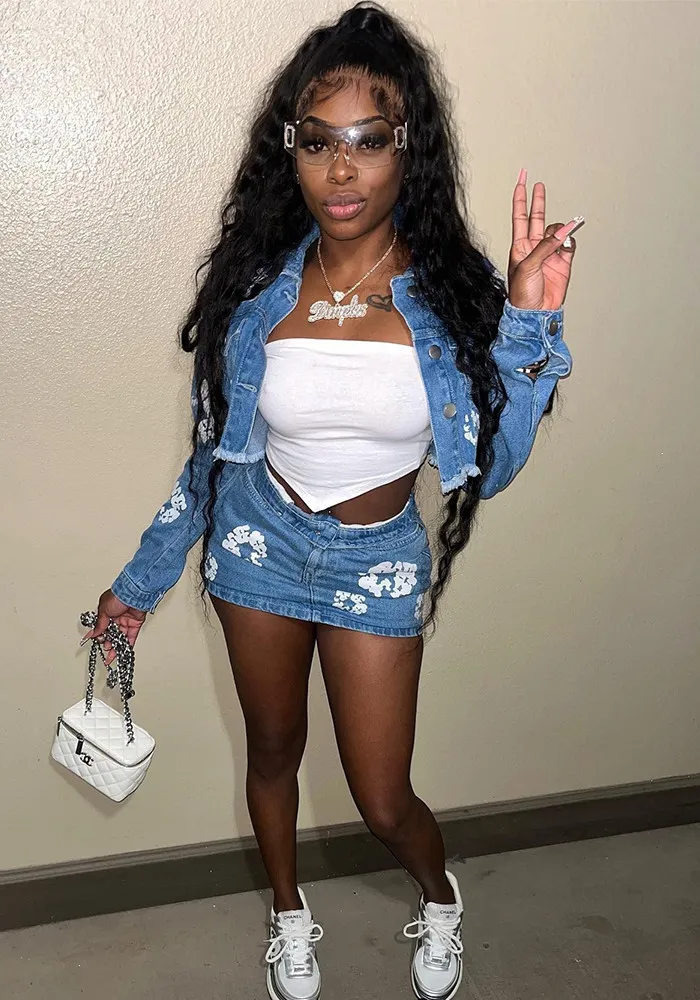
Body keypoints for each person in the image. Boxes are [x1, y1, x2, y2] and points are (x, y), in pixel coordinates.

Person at [83, 3, 579, 998]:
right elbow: (209, 464)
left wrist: (529, 324)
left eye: (368, 141)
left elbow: (491, 466)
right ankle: (286, 914)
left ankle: (438, 896)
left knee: (383, 799)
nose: (341, 170)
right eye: (317, 143)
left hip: (376, 561)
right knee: (271, 753)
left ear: (408, 149)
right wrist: (136, 588)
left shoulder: (453, 295)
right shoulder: (255, 289)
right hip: (255, 549)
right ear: (292, 152)